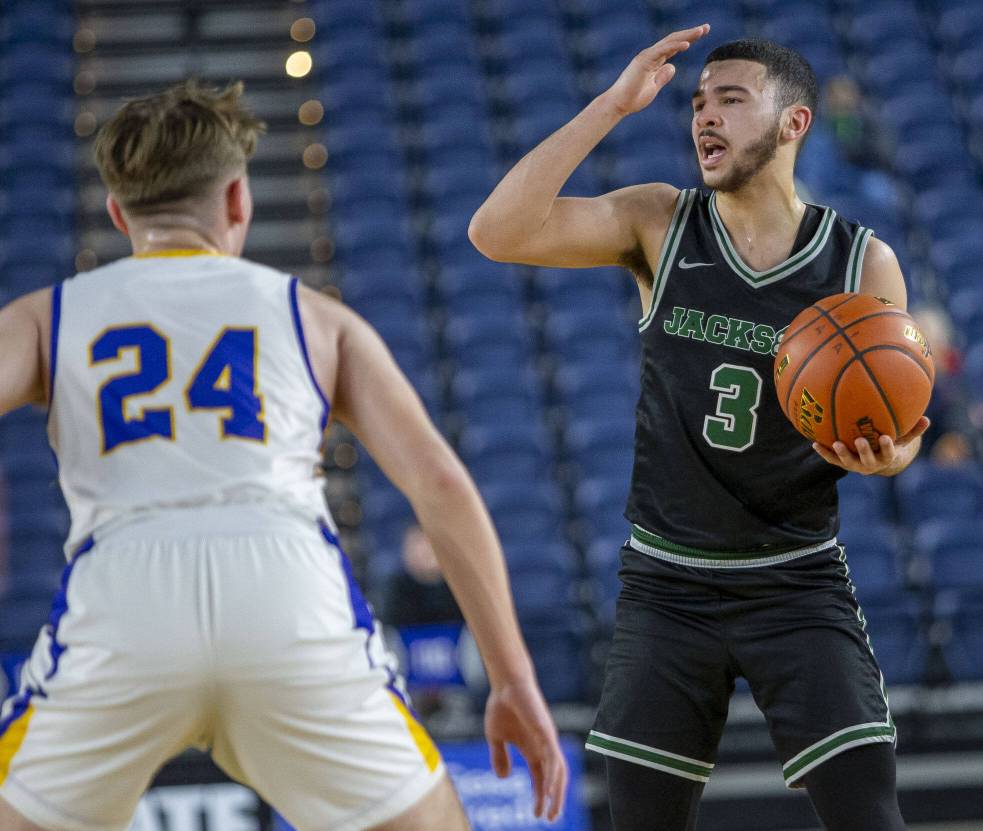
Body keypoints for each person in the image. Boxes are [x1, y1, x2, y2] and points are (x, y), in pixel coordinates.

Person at [0, 80, 566, 831]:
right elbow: (439, 483)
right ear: (239, 200)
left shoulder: (49, 315)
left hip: (123, 597)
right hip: (285, 588)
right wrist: (511, 676)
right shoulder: (318, 316)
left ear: (118, 213)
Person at [470, 27, 928, 831]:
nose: (705, 118)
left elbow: (906, 423)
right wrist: (613, 106)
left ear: (794, 123)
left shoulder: (862, 262)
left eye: (731, 100)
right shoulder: (659, 222)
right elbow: (496, 231)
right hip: (666, 585)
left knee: (871, 817)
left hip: (797, 577)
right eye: (697, 103)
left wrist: (891, 456)